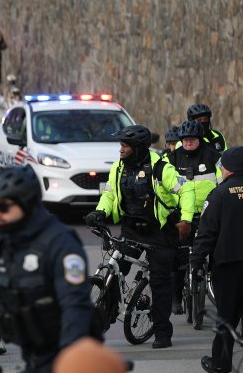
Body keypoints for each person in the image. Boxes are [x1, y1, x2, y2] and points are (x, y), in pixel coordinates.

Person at [0, 166, 93, 373]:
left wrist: (70, 358)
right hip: (29, 346)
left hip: (65, 350)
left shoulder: (61, 244)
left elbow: (75, 305)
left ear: (26, 204)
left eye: (3, 207)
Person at [85, 124, 184, 349]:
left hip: (160, 231)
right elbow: (109, 194)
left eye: (125, 145)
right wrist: (100, 212)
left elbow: (185, 189)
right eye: (121, 145)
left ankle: (162, 333)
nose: (121, 149)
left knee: (160, 282)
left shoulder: (161, 168)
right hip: (132, 228)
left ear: (138, 148)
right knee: (114, 266)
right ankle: (104, 317)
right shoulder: (118, 167)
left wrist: (186, 220)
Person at [190, 146, 243, 373]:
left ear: (226, 168)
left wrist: (196, 262)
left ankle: (221, 365)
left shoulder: (219, 194)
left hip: (227, 268)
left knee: (226, 319)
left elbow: (206, 232)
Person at [167, 118, 222, 314]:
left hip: (208, 213)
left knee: (214, 252)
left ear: (199, 139)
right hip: (182, 214)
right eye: (185, 140)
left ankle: (214, 287)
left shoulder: (213, 156)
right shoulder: (172, 159)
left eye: (192, 140)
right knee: (178, 257)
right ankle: (176, 298)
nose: (188, 143)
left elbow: (222, 181)